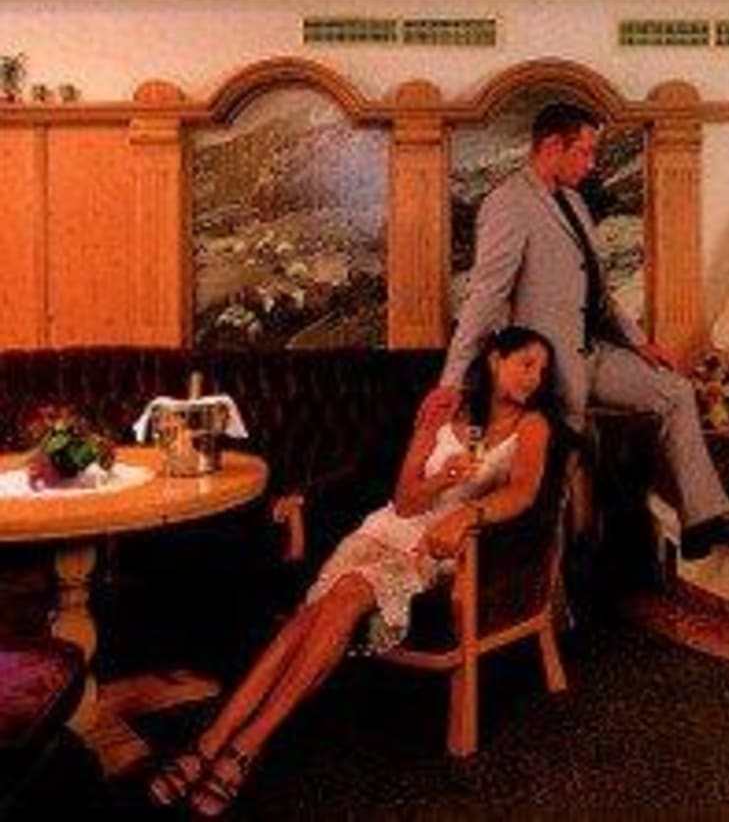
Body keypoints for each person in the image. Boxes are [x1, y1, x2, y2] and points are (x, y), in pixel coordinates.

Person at [147, 326, 558, 817]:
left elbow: (522, 493)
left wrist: (468, 512)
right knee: (313, 614)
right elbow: (405, 502)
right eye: (526, 364)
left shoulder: (533, 426)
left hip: (437, 546)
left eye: (542, 370)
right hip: (385, 529)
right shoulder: (445, 411)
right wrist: (443, 480)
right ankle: (216, 743)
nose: (534, 377)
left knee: (347, 591)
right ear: (494, 360)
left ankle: (241, 746)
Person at [420, 101, 729, 561]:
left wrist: (639, 343)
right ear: (552, 145)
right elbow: (485, 296)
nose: (591, 163)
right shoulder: (508, 203)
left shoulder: (576, 203)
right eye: (583, 151)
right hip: (547, 370)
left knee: (676, 392)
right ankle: (548, 573)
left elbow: (598, 292)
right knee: (558, 475)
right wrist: (453, 378)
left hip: (594, 354)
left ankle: (702, 519)